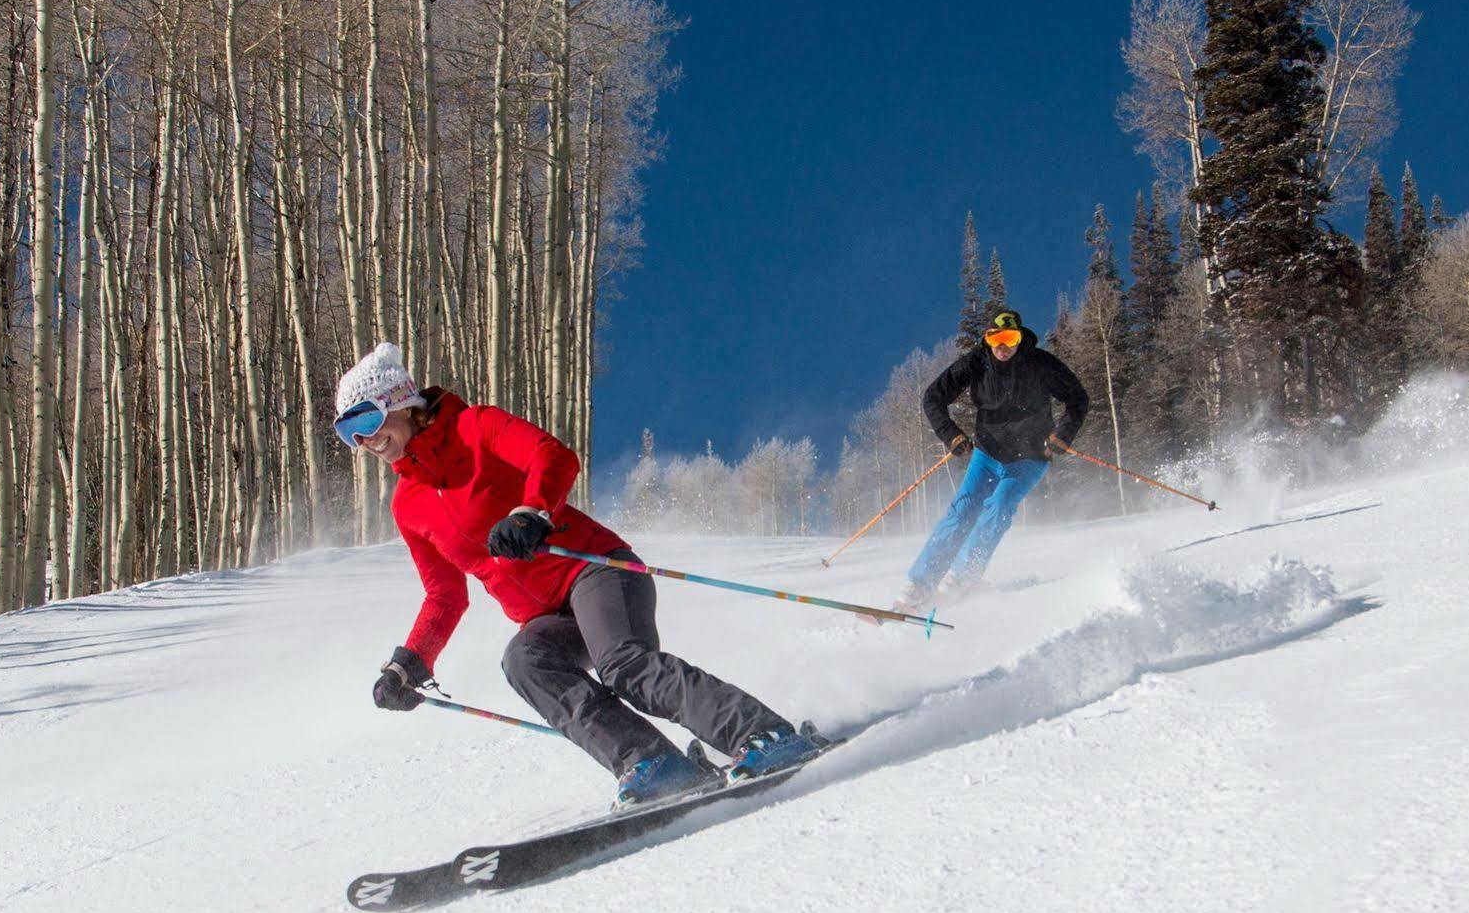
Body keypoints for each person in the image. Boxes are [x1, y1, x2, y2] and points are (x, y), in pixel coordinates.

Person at [334, 342, 820, 805]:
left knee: (625, 665)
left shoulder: (475, 426)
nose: (364, 441)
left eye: (367, 420)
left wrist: (532, 511)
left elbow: (554, 456)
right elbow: (444, 595)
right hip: (546, 615)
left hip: (596, 570)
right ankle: (655, 765)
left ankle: (763, 733)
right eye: (348, 433)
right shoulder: (409, 506)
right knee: (524, 661)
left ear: (401, 401)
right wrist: (410, 662)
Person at [897, 309, 1089, 609]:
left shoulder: (1040, 364)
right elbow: (933, 397)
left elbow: (1078, 398)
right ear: (987, 339)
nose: (1002, 346)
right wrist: (951, 434)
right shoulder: (977, 362)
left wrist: (1063, 435)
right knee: (962, 511)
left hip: (1030, 458)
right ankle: (919, 585)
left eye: (1010, 338)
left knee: (998, 506)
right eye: (996, 339)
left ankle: (962, 578)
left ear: (1020, 338)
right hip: (987, 455)